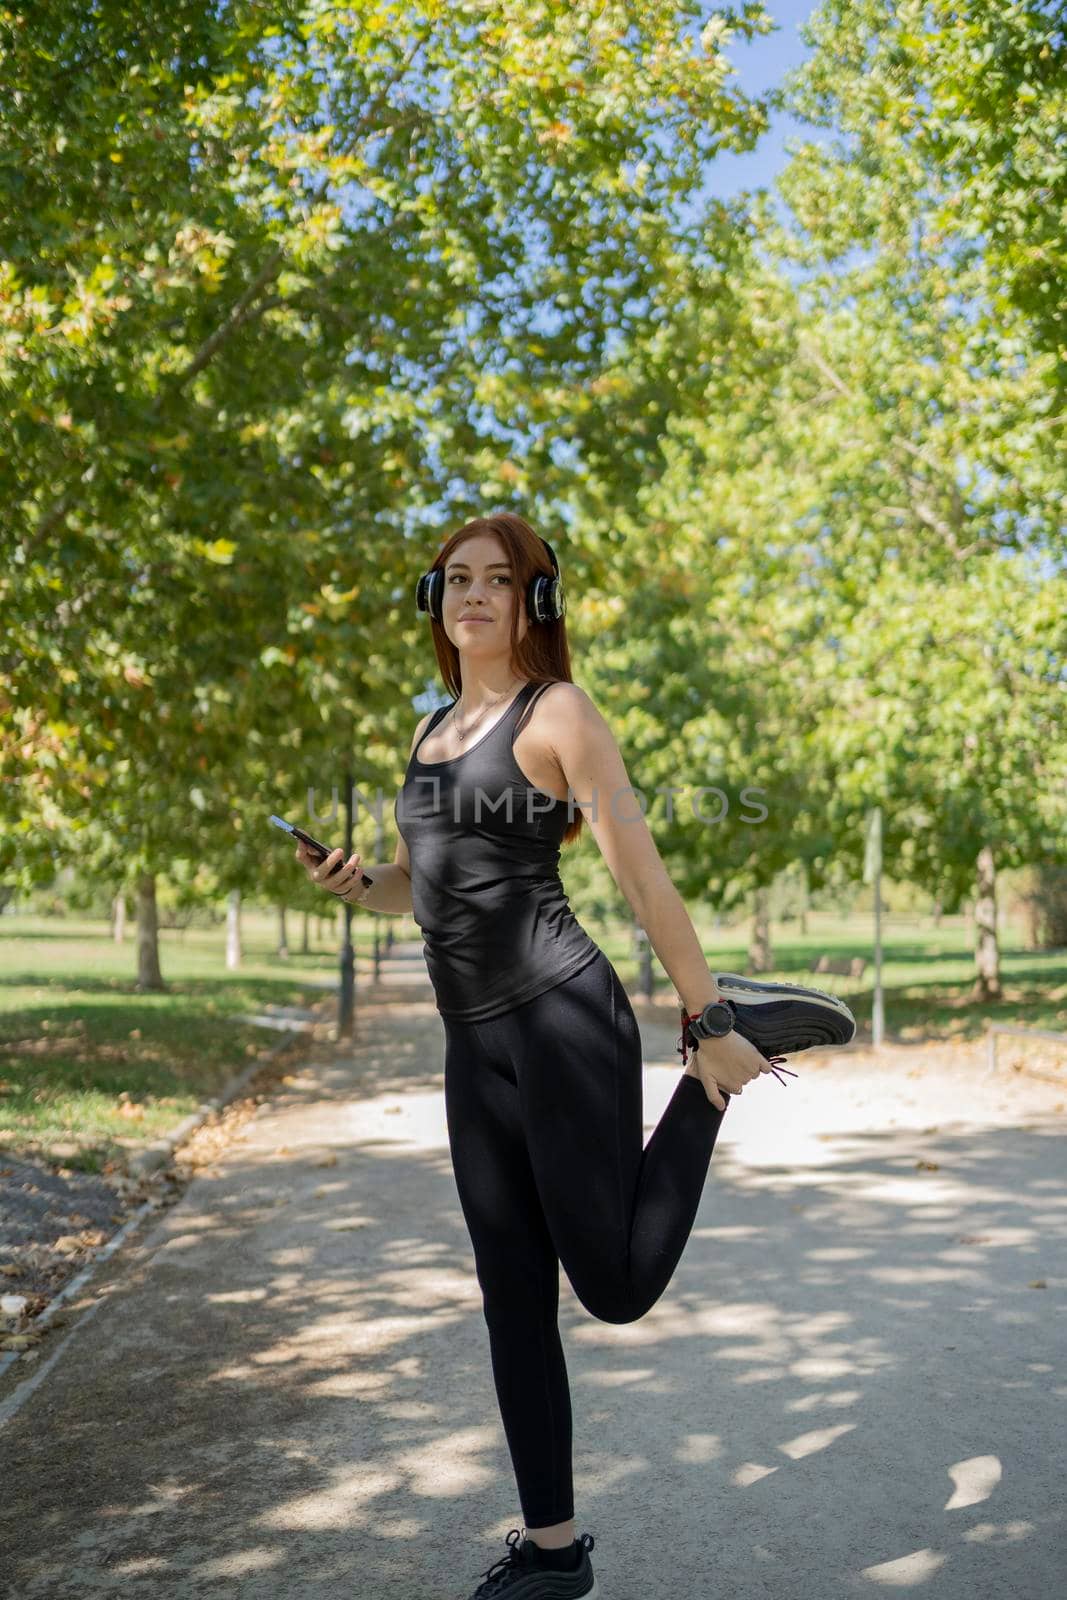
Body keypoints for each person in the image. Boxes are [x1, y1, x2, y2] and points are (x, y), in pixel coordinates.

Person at [296, 512, 855, 1599]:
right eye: (453, 579)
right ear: (433, 599)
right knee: (511, 1298)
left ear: (532, 604)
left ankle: (715, 1077)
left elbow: (640, 878)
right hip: (474, 1050)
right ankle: (553, 1556)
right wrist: (363, 885)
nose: (470, 597)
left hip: (562, 1023)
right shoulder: (427, 731)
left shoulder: (557, 714)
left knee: (611, 1288)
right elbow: (435, 883)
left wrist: (703, 1017)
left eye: (495, 582)